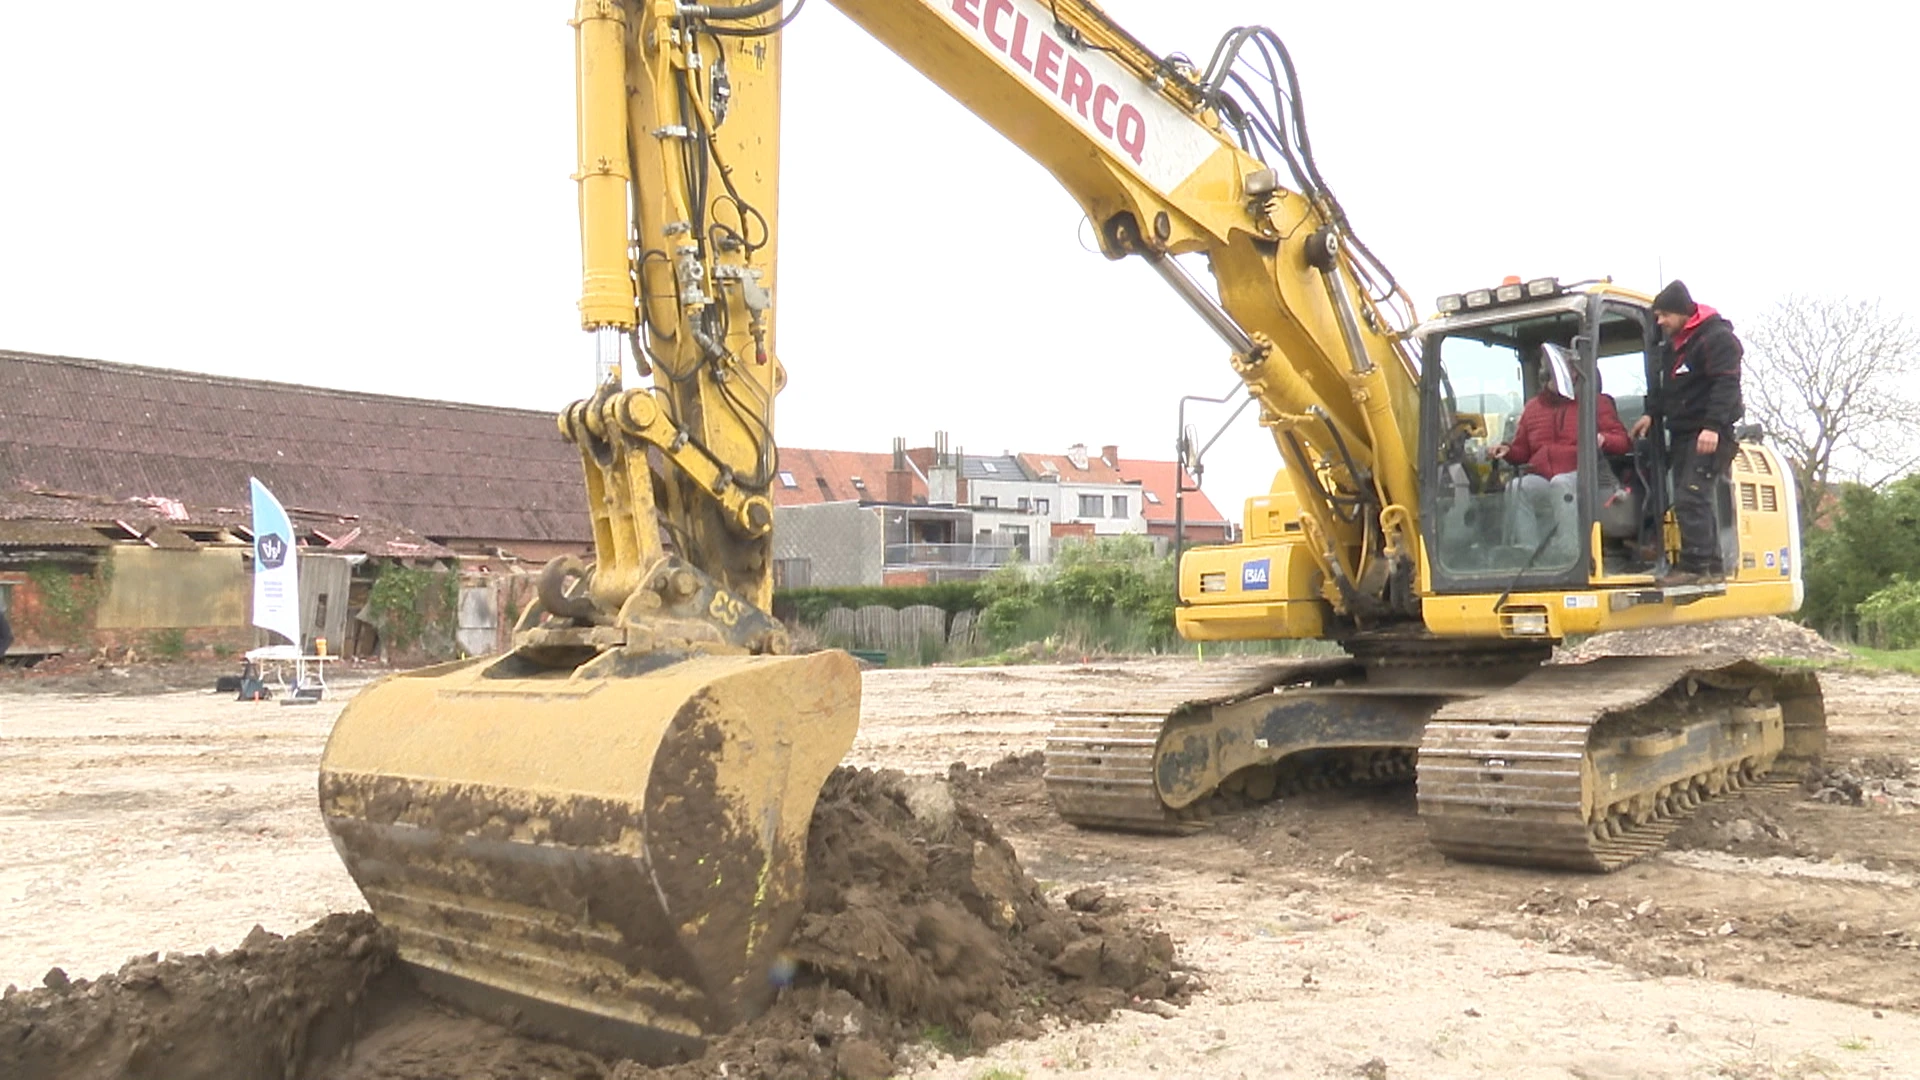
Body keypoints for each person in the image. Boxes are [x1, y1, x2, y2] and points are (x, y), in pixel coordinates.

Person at [1629, 280, 1743, 585]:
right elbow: (1666, 387)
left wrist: (1713, 427)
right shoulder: (1674, 345)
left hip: (1707, 434)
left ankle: (1694, 567)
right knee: (1687, 496)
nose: (1660, 322)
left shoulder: (1716, 339)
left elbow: (1726, 385)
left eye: (1664, 315)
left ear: (1682, 312)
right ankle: (1713, 565)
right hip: (1681, 433)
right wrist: (1652, 413)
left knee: (1691, 496)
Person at [1489, 345, 1631, 550]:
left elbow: (1623, 442)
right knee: (1516, 488)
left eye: (1572, 370)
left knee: (1560, 483)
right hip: (1544, 477)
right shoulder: (1533, 408)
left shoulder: (1596, 402)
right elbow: (1523, 451)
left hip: (1586, 475)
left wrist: (1603, 439)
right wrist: (1508, 452)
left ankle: (1569, 550)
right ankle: (1527, 549)